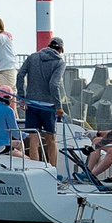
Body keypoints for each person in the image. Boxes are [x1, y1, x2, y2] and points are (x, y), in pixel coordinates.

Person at [14, 35, 67, 167]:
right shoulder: (59, 62)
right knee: (51, 140)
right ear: (60, 49)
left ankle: (34, 171)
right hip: (48, 107)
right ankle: (52, 171)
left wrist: (21, 97)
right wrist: (58, 106)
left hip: (31, 104)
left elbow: (20, 74)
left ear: (48, 45)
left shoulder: (33, 57)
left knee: (33, 138)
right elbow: (54, 85)